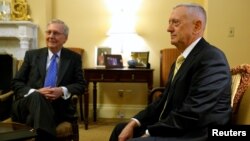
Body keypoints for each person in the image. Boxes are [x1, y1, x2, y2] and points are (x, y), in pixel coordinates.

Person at [109, 3, 232, 141]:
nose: (168, 28)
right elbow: (163, 101)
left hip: (197, 134)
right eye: (169, 22)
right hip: (181, 127)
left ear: (196, 26)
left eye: (175, 22)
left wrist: (150, 131)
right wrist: (134, 121)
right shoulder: (181, 60)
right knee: (120, 129)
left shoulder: (211, 58)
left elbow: (194, 112)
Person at [11, 19, 86, 140]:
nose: (51, 36)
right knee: (37, 96)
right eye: (49, 32)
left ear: (65, 38)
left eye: (55, 33)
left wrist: (61, 90)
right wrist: (35, 92)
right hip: (26, 105)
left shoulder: (73, 58)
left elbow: (81, 85)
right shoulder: (32, 55)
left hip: (56, 107)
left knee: (34, 119)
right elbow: (16, 83)